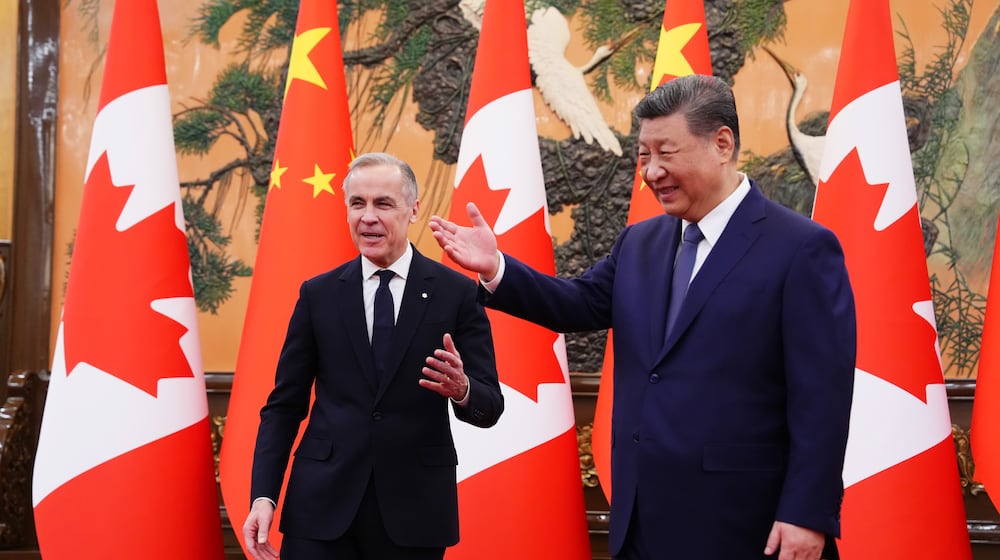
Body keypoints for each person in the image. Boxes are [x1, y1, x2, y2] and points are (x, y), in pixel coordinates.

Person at [430, 74, 856, 560]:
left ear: (722, 144)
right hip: (642, 518)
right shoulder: (641, 241)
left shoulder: (800, 248)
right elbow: (577, 303)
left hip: (744, 521)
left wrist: (806, 513)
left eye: (665, 153)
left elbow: (822, 397)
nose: (651, 171)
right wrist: (497, 268)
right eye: (643, 156)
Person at [244, 152, 504, 560]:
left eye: (383, 203)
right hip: (320, 512)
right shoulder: (319, 295)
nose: (367, 217)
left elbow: (490, 407)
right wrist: (263, 497)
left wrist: (463, 389)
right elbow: (283, 407)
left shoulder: (456, 294)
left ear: (413, 209)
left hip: (414, 516)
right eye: (357, 203)